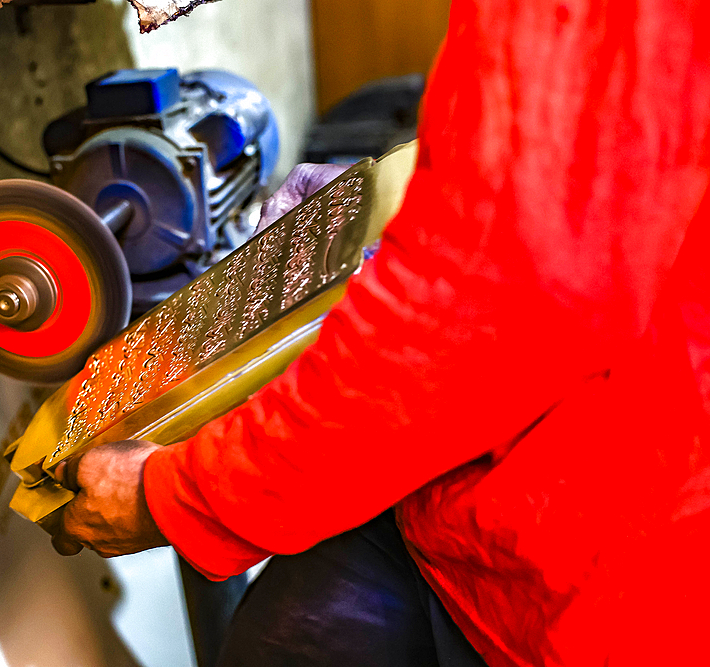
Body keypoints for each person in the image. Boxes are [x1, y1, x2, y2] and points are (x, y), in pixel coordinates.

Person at [47, 0, 710, 664]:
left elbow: (477, 312)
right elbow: (600, 182)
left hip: (588, 593)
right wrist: (406, 208)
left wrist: (179, 499)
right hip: (483, 517)